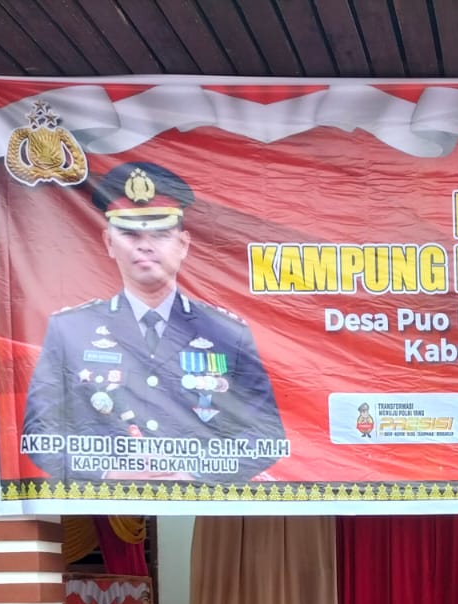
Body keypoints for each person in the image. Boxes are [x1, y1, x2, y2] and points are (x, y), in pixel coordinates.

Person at [20, 161, 288, 485]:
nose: (145, 245)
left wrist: (197, 475)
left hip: (201, 501)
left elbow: (265, 434)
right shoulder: (71, 330)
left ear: (183, 244)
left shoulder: (227, 333)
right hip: (105, 501)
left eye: (160, 234)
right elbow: (40, 433)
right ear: (108, 242)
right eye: (130, 234)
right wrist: (108, 474)